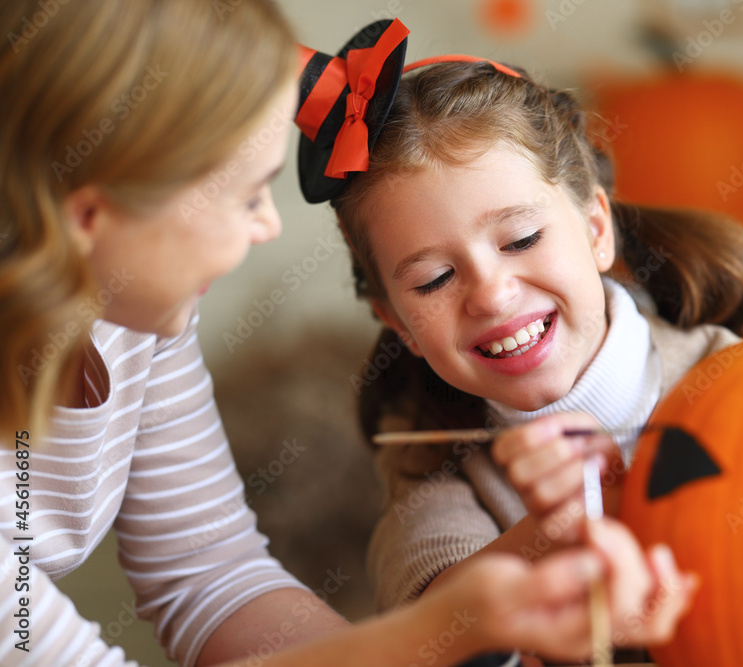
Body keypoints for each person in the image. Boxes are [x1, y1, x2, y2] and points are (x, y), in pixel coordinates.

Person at [0, 4, 693, 666]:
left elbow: (208, 576)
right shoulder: (436, 493)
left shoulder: (139, 314)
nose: (267, 226)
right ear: (93, 215)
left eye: (520, 238)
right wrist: (448, 622)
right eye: (246, 195)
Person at [295, 15, 743, 642]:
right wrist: (555, 528)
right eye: (434, 280)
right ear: (397, 322)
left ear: (597, 229)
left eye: (520, 239)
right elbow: (434, 632)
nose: (492, 292)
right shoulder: (434, 475)